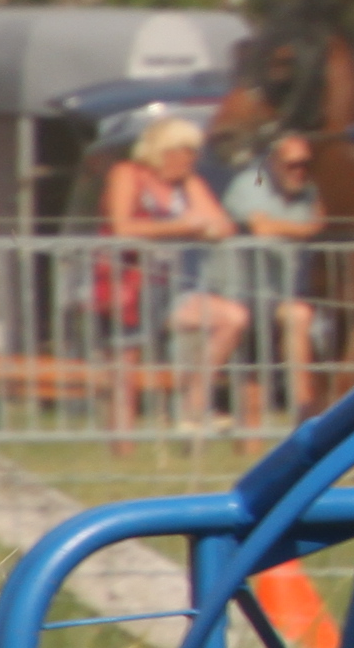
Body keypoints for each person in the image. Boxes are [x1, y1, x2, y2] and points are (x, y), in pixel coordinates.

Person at [102, 110, 249, 425]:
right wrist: (182, 226)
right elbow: (122, 227)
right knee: (125, 373)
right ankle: (121, 448)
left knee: (232, 318)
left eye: (195, 151)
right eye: (187, 150)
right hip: (127, 286)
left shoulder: (189, 182)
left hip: (172, 288)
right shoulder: (128, 173)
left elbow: (223, 226)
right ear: (164, 150)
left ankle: (192, 409)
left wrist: (204, 228)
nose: (193, 158)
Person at [223, 129, 328, 418]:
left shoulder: (311, 192)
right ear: (273, 162)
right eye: (292, 164)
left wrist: (317, 215)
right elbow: (262, 227)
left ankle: (304, 416)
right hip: (244, 294)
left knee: (301, 317)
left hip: (291, 295)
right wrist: (310, 230)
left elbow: (328, 222)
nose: (300, 171)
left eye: (306, 164)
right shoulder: (251, 182)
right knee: (254, 369)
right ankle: (255, 439)